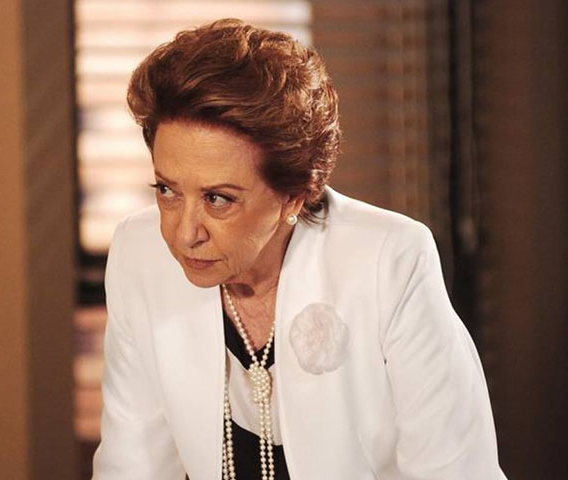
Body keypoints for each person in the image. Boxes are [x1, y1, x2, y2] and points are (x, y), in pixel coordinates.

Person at [91, 18, 506, 480]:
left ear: (293, 196)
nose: (185, 233)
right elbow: (132, 465)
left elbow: (455, 471)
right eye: (167, 190)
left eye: (218, 199)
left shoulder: (388, 261)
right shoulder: (139, 256)